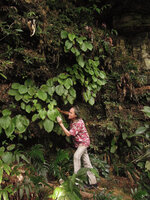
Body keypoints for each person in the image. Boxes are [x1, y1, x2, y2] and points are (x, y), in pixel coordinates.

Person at [57, 105, 98, 189]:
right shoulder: (73, 119)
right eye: (69, 111)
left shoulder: (79, 123)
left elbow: (68, 134)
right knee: (87, 163)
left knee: (76, 156)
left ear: (75, 115)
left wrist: (61, 123)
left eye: (71, 113)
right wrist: (61, 111)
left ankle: (77, 182)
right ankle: (93, 183)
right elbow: (67, 113)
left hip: (83, 143)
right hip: (80, 144)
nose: (69, 113)